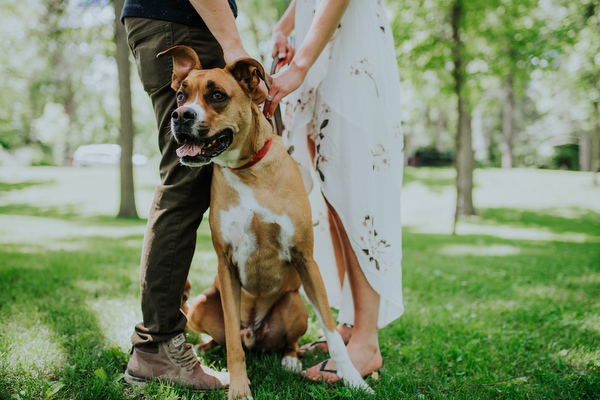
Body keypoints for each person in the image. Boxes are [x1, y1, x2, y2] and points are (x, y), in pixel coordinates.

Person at [120, 0, 266, 390]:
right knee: (184, 185)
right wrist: (233, 45)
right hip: (180, 20)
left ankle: (165, 328)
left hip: (174, 20)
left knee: (190, 172)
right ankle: (157, 346)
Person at [264, 0, 405, 382]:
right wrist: (284, 26)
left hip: (348, 46)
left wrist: (299, 64)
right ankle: (348, 325)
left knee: (353, 187)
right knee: (333, 191)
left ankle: (367, 344)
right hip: (320, 44)